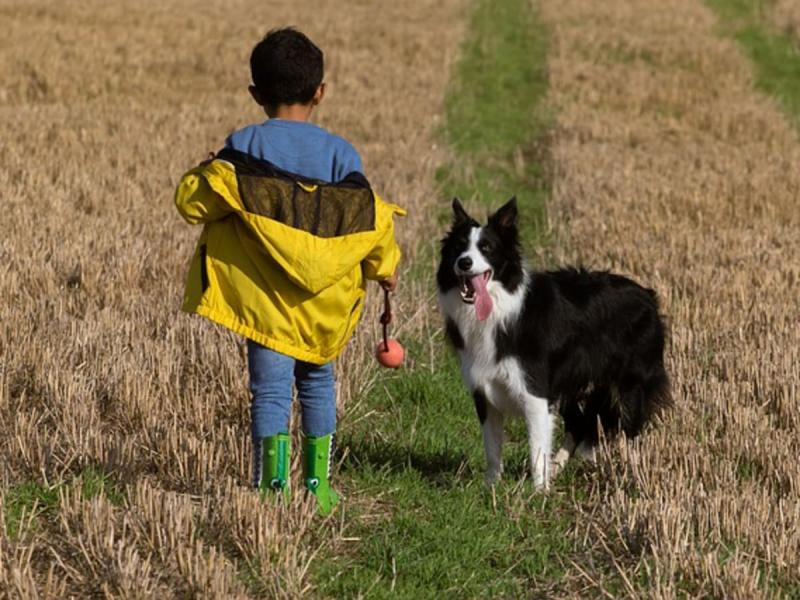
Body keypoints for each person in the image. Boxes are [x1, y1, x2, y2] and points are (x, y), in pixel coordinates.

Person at [174, 28, 404, 515]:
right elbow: (366, 217)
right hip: (324, 308)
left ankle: (271, 489)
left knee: (271, 391)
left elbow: (194, 205)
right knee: (319, 384)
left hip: (265, 306)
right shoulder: (343, 155)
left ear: (256, 94)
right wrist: (386, 268)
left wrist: (204, 172)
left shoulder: (243, 147)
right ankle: (318, 486)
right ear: (320, 92)